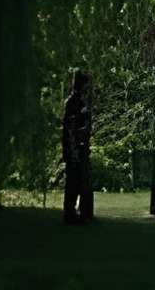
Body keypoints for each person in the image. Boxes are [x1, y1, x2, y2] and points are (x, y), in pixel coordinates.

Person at [59, 72, 93, 226]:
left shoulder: (78, 101)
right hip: (74, 148)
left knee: (78, 181)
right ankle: (70, 213)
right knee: (73, 181)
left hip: (78, 147)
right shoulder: (73, 102)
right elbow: (70, 127)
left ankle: (76, 211)